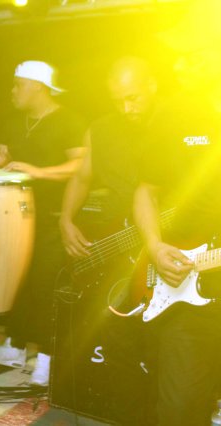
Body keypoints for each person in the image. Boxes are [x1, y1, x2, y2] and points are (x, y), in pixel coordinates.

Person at [133, 1, 221, 424]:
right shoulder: (175, 113)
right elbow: (145, 190)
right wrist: (154, 246)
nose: (180, 65)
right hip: (189, 280)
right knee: (178, 409)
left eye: (192, 54)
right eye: (176, 56)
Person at [0, 60, 85, 386]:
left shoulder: (68, 120)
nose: (12, 91)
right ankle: (15, 346)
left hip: (55, 217)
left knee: (45, 286)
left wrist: (40, 172)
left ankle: (47, 359)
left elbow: (81, 166)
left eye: (18, 85)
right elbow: (17, 167)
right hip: (20, 216)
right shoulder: (17, 122)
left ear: (38, 86)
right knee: (21, 281)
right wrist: (0, 163)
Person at [60, 56, 158, 256]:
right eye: (117, 102)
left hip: (167, 234)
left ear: (152, 86)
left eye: (132, 98)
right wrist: (65, 219)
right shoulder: (100, 130)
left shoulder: (175, 123)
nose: (126, 109)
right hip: (116, 236)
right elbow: (81, 179)